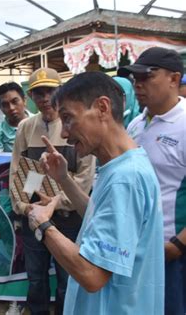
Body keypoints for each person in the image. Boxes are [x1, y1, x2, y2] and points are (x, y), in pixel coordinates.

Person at [29, 71, 164, 314]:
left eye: (68, 118)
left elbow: (91, 274)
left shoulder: (125, 179)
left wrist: (42, 225)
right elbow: (99, 213)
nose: (64, 133)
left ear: (102, 107)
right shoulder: (121, 166)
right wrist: (64, 179)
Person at [9, 68, 95, 315]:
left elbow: (84, 177)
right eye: (38, 92)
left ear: (61, 91)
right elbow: (18, 170)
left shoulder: (76, 125)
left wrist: (57, 202)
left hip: (68, 219)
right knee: (36, 279)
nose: (45, 97)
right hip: (34, 215)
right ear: (31, 96)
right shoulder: (26, 127)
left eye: (50, 91)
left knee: (68, 279)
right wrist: (25, 206)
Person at [118, 46, 186, 315]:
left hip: (173, 254)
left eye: (147, 76)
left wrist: (177, 246)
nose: (138, 85)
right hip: (137, 250)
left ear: (174, 78)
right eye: (135, 79)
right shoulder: (136, 124)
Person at [0, 82, 31, 152]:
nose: (11, 108)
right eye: (5, 104)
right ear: (0, 108)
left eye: (15, 101)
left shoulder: (40, 122)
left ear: (24, 100)